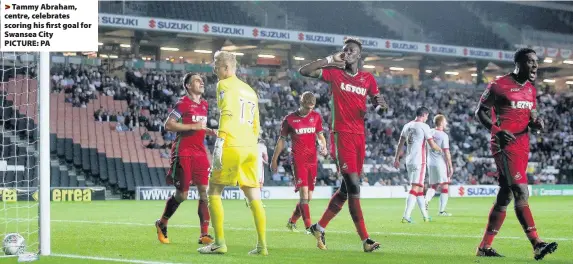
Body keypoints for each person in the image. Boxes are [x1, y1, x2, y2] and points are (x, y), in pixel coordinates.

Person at [299, 37, 387, 252]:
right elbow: (305, 70)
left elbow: (378, 102)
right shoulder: (334, 73)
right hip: (342, 135)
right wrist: (330, 59)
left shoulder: (368, 79)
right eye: (345, 50)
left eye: (352, 50)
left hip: (360, 137)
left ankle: (318, 227)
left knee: (346, 190)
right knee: (354, 186)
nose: (347, 52)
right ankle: (365, 240)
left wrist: (381, 106)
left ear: (359, 56)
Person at [474, 48, 557, 260]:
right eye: (530, 62)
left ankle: (485, 247)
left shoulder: (530, 89)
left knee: (506, 194)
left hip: (523, 144)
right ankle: (537, 243)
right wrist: (497, 131)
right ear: (518, 63)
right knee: (521, 191)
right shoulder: (498, 85)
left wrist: (537, 123)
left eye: (536, 62)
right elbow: (480, 112)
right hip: (504, 144)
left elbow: (533, 115)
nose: (535, 66)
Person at [197, 51, 267, 255]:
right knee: (254, 196)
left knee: (213, 192)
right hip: (250, 147)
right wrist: (252, 144)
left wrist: (221, 140)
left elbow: (226, 112)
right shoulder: (250, 91)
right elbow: (256, 124)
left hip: (231, 143)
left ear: (227, 68)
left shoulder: (224, 85)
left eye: (217, 66)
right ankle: (262, 246)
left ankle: (219, 243)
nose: (214, 69)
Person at [155, 73, 217, 245]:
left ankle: (204, 234)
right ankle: (162, 223)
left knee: (205, 192)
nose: (201, 82)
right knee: (182, 195)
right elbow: (168, 124)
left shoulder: (204, 105)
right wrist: (194, 126)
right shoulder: (182, 103)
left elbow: (199, 127)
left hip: (200, 153)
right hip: (183, 151)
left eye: (201, 80)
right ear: (188, 86)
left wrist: (207, 130)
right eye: (197, 80)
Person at [270, 92, 327, 233]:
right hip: (298, 159)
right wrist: (274, 159)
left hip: (312, 160)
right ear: (301, 103)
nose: (309, 111)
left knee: (309, 197)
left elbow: (320, 136)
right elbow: (281, 140)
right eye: (307, 108)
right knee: (304, 195)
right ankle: (309, 227)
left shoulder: (316, 117)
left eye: (312, 108)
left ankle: (292, 221)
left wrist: (323, 146)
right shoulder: (289, 119)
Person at [393, 107, 441, 223]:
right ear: (424, 115)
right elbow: (432, 145)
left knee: (419, 188)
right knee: (415, 187)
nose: (427, 118)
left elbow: (400, 142)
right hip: (419, 160)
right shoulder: (424, 126)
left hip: (409, 161)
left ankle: (425, 216)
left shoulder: (407, 125)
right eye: (427, 116)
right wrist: (441, 150)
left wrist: (396, 158)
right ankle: (406, 215)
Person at [424, 114, 453, 216]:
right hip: (440, 163)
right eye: (445, 121)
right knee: (445, 186)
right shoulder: (444, 135)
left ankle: (426, 201)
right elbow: (446, 152)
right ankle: (441, 211)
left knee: (434, 186)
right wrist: (450, 166)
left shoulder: (429, 132)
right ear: (441, 122)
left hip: (430, 162)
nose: (446, 123)